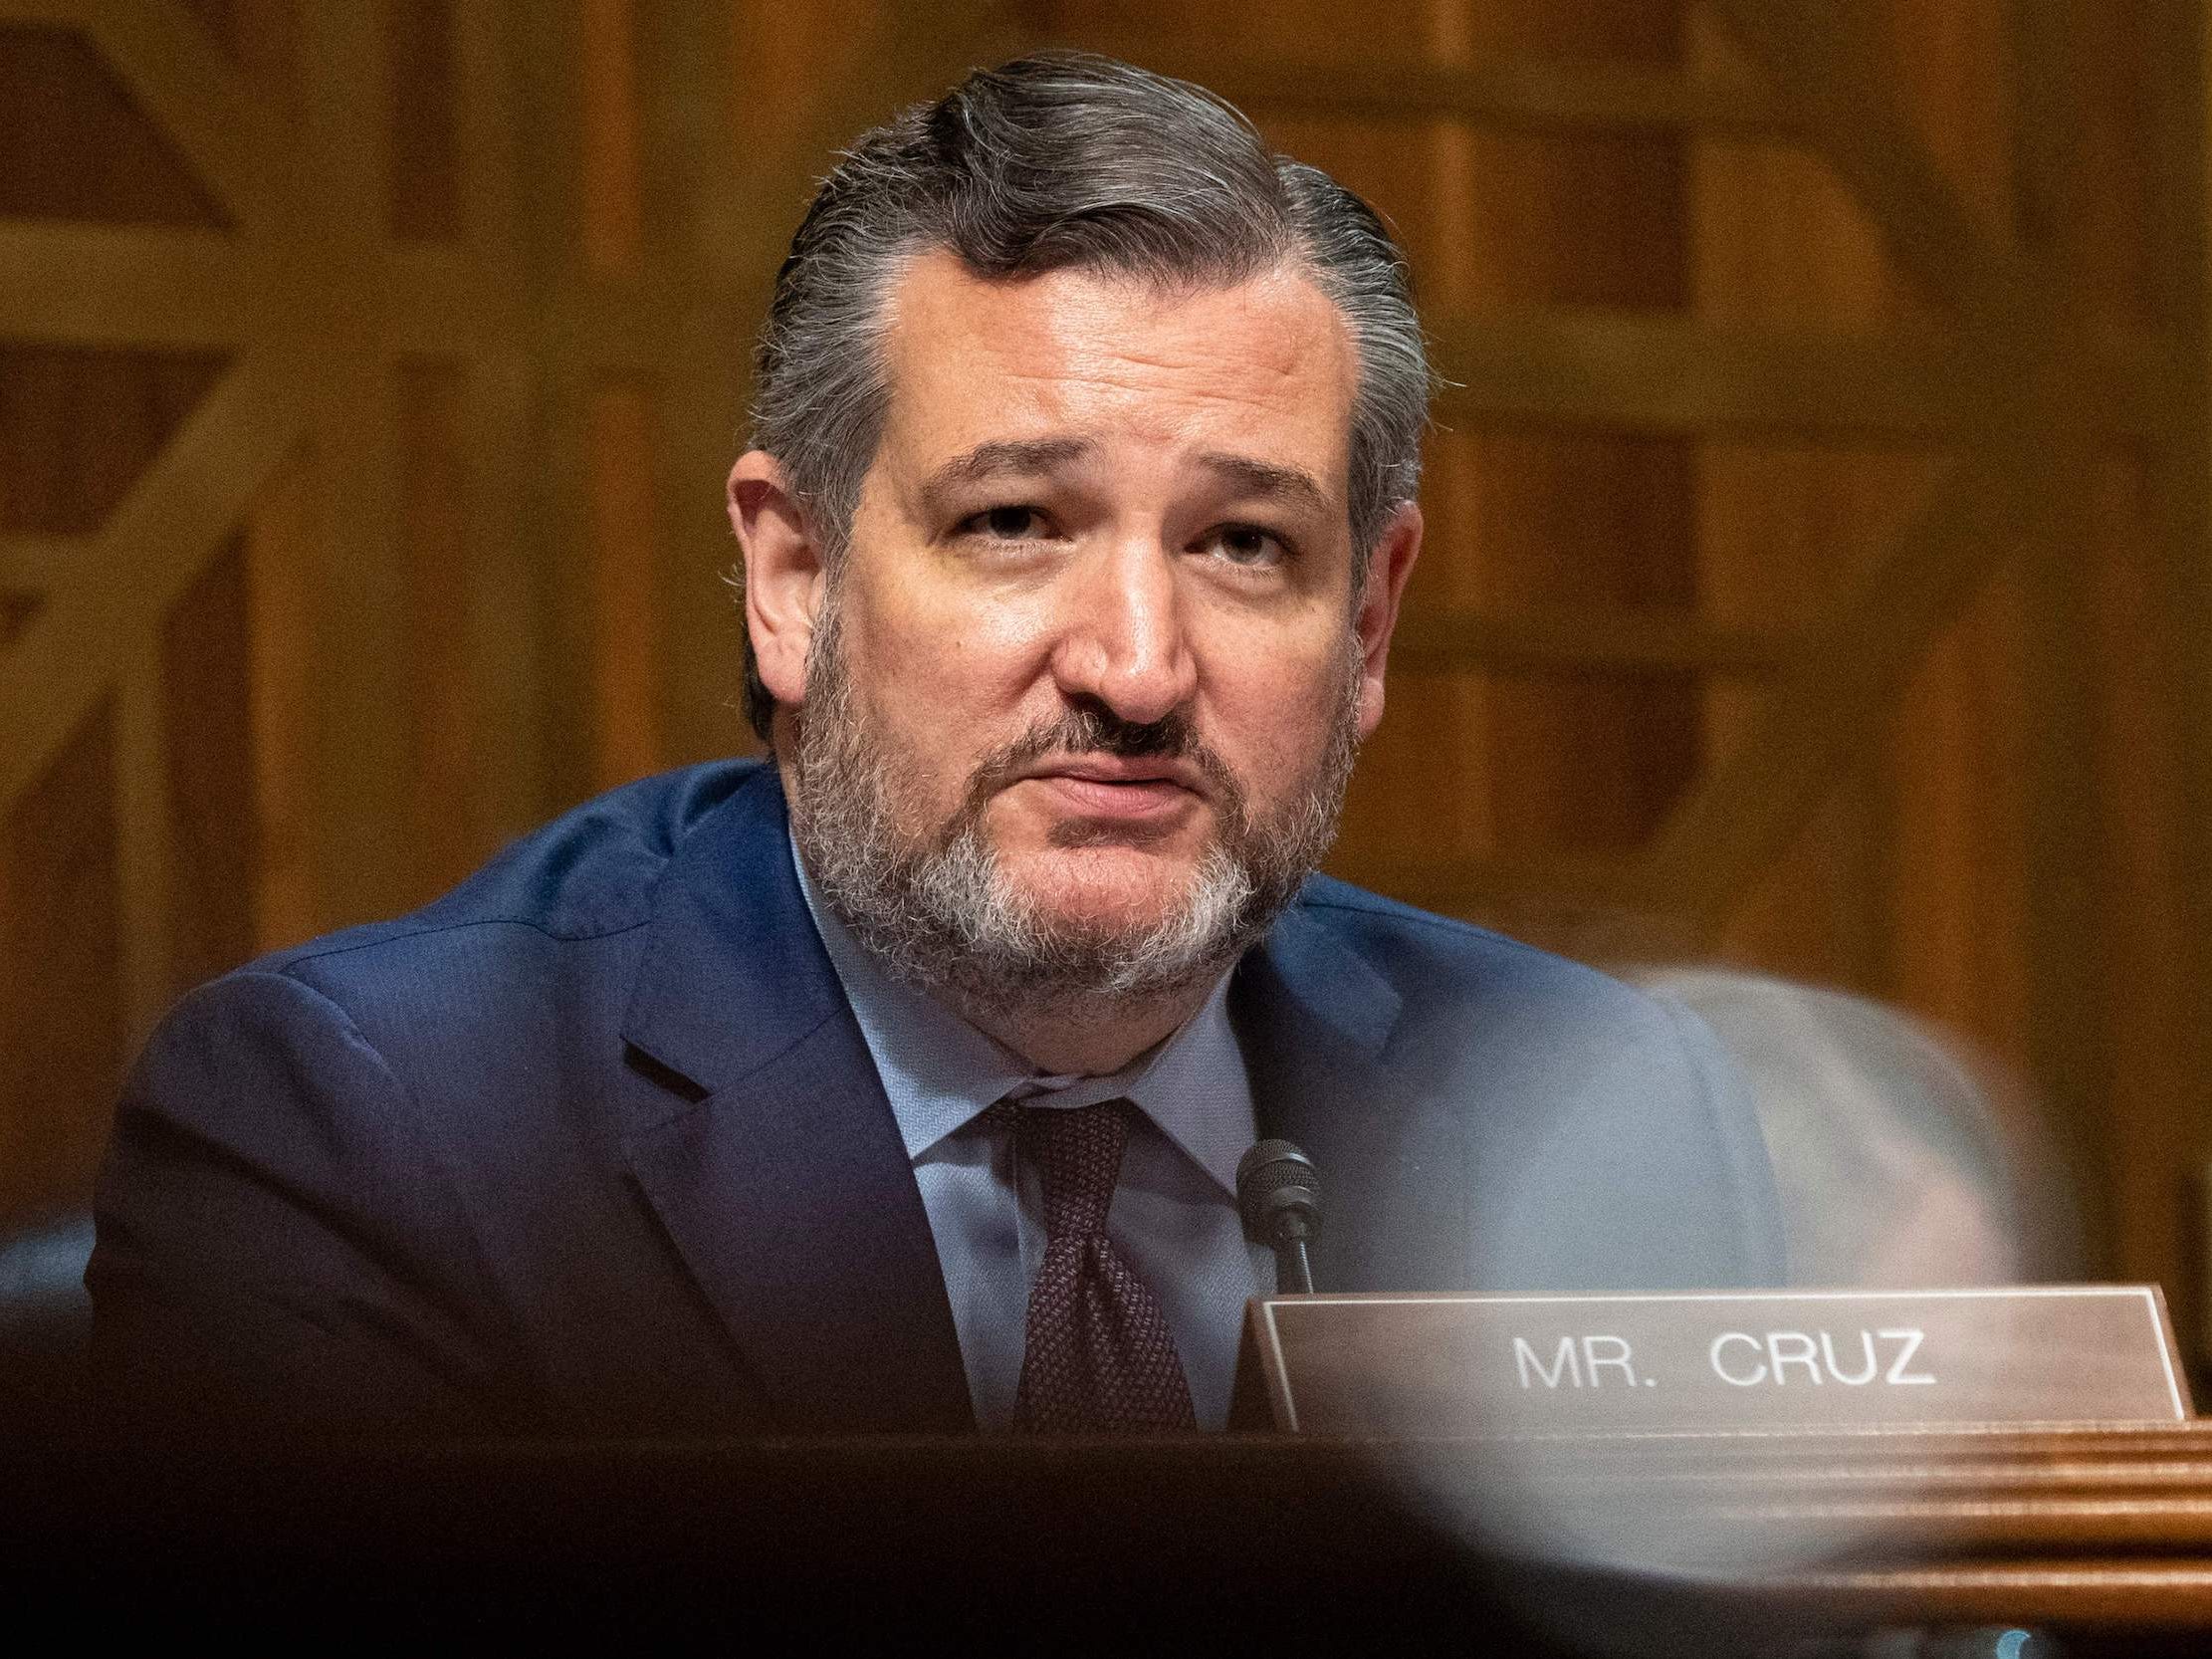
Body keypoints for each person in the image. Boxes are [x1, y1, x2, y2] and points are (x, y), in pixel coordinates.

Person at [89, 54, 1782, 1439]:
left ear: (1369, 622)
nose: (1135, 665)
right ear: (792, 574)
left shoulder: (1598, 1121)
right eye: (1015, 520)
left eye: (1244, 546)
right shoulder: (379, 1134)